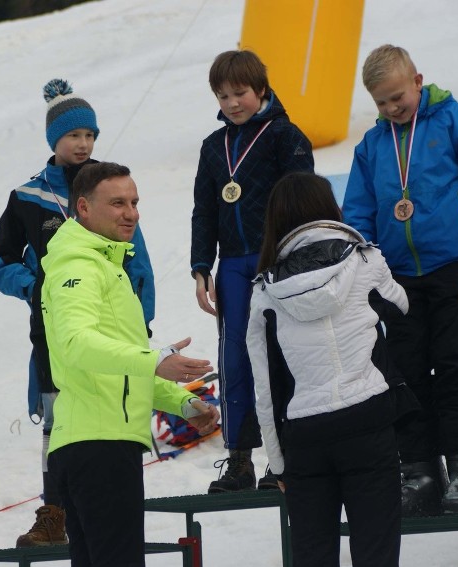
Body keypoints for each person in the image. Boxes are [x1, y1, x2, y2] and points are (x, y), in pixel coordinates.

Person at [0, 79, 156, 547]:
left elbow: (136, 258)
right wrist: (34, 286)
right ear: (52, 140)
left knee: (110, 404)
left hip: (116, 320)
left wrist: (143, 317)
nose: (83, 144)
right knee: (58, 408)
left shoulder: (111, 186)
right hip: (55, 326)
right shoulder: (27, 196)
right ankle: (54, 511)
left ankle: (91, 508)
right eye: (73, 136)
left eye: (90, 135)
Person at [343, 44, 458, 516]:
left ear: (418, 80)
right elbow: (357, 214)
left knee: (453, 366)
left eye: (397, 96)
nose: (392, 108)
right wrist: (368, 274)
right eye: (381, 102)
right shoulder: (371, 146)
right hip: (398, 281)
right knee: (405, 374)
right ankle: (417, 471)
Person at [42, 162, 220, 566]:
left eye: (135, 202)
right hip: (98, 445)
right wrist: (155, 359)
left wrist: (183, 404)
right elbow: (75, 344)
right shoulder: (80, 265)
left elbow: (121, 367)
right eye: (118, 203)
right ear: (83, 208)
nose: (131, 213)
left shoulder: (105, 264)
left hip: (95, 442)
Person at [247, 172, 411, 567]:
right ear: (329, 209)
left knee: (312, 556)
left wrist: (278, 461)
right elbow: (402, 309)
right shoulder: (366, 260)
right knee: (377, 553)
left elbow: (265, 386)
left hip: (305, 434)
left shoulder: (264, 292)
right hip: (369, 417)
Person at [190, 49, 315, 493]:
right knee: (235, 358)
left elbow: (304, 200)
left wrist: (298, 256)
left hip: (277, 261)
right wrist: (201, 266)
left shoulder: (286, 135)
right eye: (222, 96)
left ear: (260, 90)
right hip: (233, 266)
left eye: (239, 93)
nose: (231, 103)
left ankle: (285, 460)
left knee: (281, 354)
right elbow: (204, 211)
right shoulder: (212, 146)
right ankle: (239, 458)